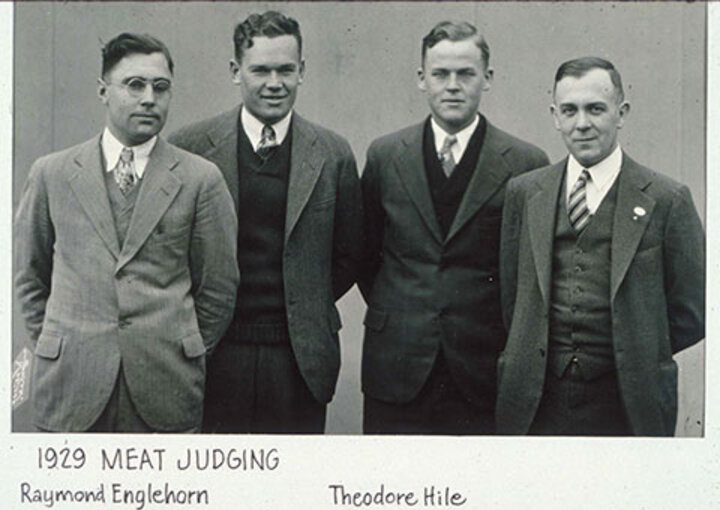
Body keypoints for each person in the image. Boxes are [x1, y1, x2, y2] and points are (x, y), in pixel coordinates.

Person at [14, 33, 239, 432]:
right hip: (70, 387)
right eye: (134, 85)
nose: (149, 97)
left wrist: (179, 350)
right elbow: (29, 279)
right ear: (103, 91)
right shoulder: (52, 173)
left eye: (160, 87)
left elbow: (218, 287)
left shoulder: (200, 180)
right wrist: (60, 346)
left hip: (165, 387)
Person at [169, 11, 362, 434]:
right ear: (236, 72)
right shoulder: (191, 147)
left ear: (302, 71)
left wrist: (303, 296)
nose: (274, 82)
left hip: (299, 354)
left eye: (285, 70)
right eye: (261, 70)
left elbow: (351, 254)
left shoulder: (333, 153)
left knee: (294, 488)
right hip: (215, 349)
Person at [497, 57, 705, 436]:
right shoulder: (525, 192)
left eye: (596, 109)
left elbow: (694, 310)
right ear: (555, 116)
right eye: (569, 110)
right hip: (537, 399)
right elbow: (512, 296)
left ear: (621, 113)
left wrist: (638, 348)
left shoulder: (666, 198)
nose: (582, 124)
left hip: (627, 403)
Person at [359, 21, 549, 435]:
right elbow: (364, 255)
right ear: (421, 79)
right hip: (398, 363)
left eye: (466, 74)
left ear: (488, 78)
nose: (452, 86)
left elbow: (527, 273)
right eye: (440, 74)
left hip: (482, 367)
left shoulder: (525, 163)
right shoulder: (385, 155)